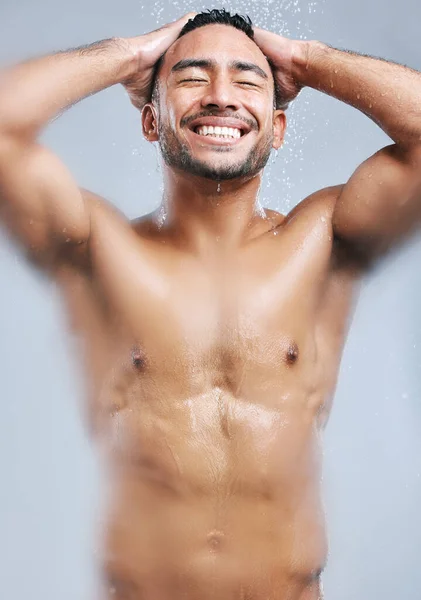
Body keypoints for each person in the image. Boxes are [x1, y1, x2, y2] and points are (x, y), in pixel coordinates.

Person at [0, 7, 420, 600]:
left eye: (247, 80)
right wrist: (128, 55)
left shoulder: (321, 239)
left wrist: (308, 61)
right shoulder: (101, 246)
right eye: (192, 77)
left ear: (277, 127)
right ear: (150, 120)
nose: (222, 97)